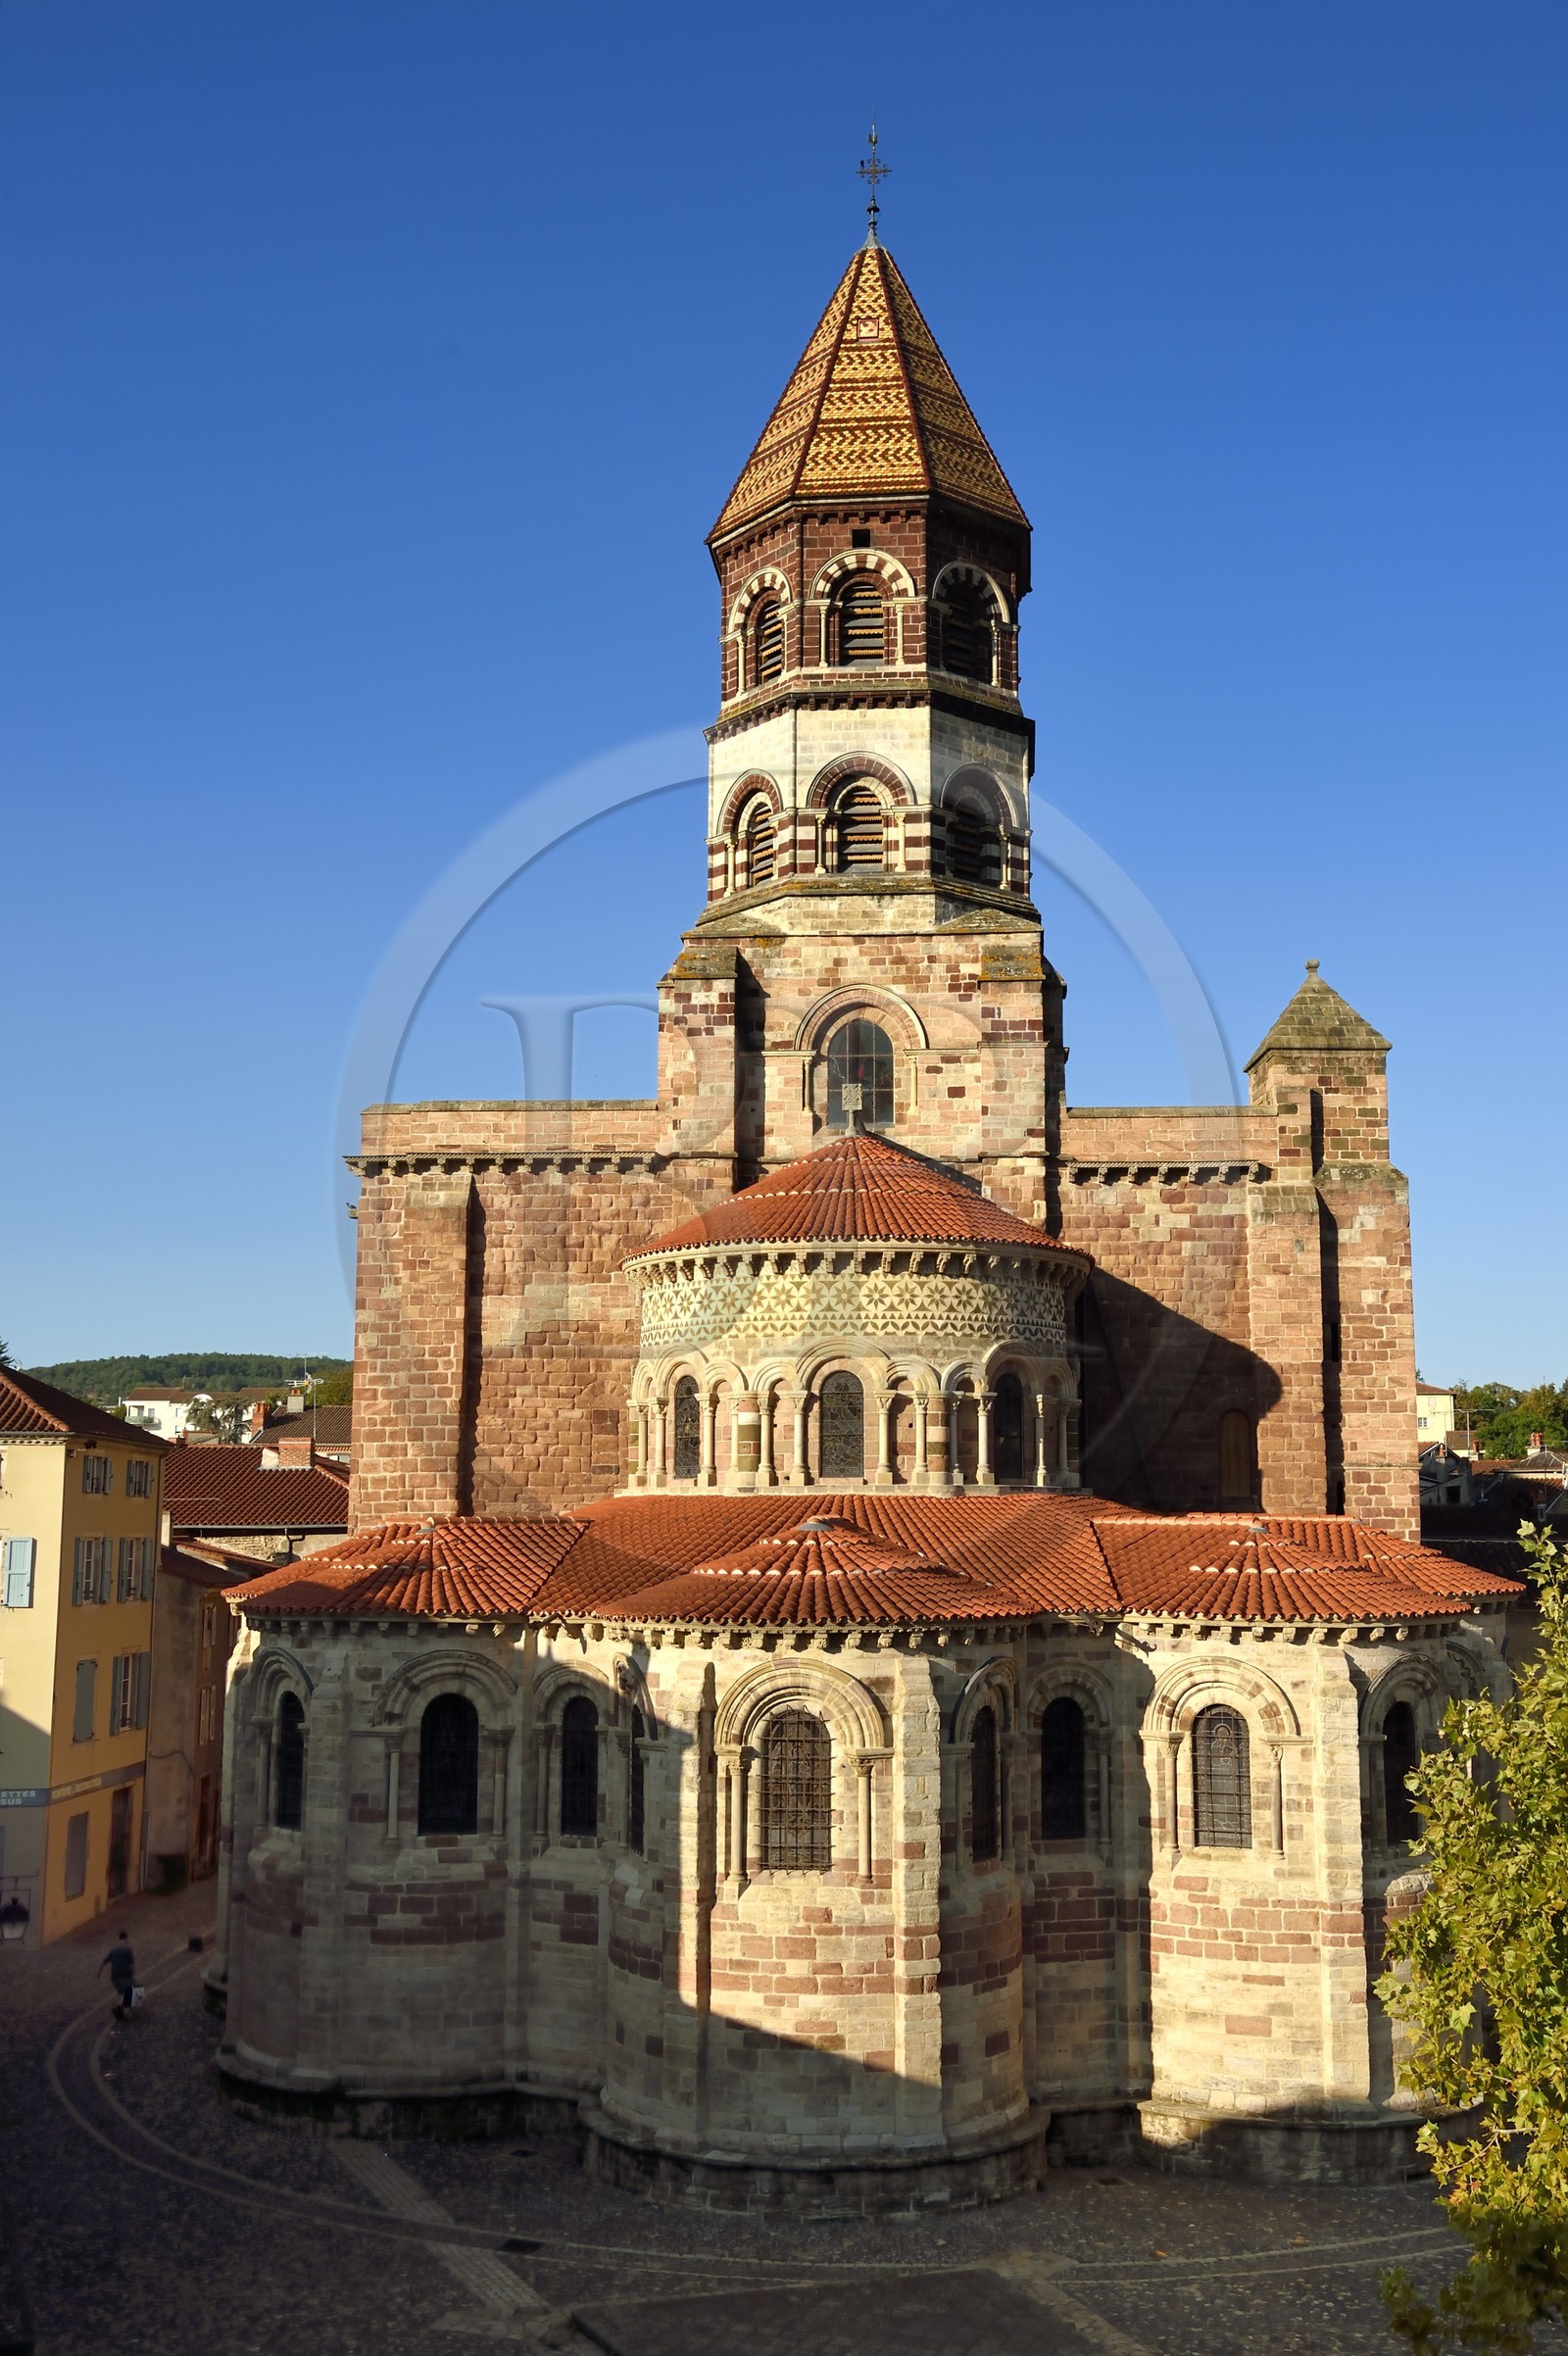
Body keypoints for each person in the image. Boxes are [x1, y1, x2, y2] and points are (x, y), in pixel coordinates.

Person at [97, 1930, 136, 2022]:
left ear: (119, 1938)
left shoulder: (113, 1949)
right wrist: (133, 1975)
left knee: (121, 1992)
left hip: (115, 1975)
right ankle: (119, 2007)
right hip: (125, 1974)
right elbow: (131, 1964)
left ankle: (120, 2009)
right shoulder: (128, 1948)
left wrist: (99, 1972)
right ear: (126, 1938)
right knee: (127, 1991)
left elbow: (105, 1961)